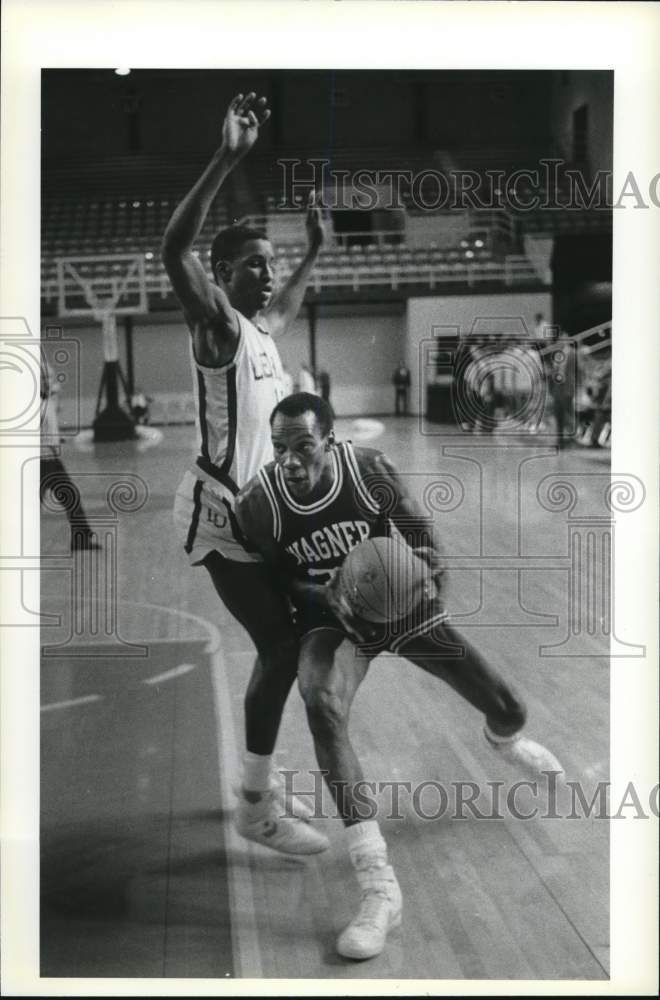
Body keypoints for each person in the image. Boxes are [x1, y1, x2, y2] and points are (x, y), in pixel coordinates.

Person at [235, 392, 563, 960]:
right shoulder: (260, 503)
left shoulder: (368, 470)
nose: (289, 459)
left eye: (303, 446)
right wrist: (324, 590)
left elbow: (424, 538)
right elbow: (277, 584)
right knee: (321, 703)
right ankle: (379, 887)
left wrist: (426, 579)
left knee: (510, 705)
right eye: (280, 447)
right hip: (332, 620)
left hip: (403, 608)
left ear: (330, 442)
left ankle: (503, 738)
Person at [163, 91, 329, 855]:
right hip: (222, 514)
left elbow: (291, 305)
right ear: (224, 275)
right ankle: (256, 808)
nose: (268, 276)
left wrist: (314, 252)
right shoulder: (218, 325)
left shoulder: (263, 330)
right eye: (254, 266)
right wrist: (228, 159)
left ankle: (257, 783)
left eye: (271, 266)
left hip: (263, 514)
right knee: (281, 647)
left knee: (297, 639)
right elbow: (173, 253)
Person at [40, 358, 100, 551]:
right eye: (48, 379)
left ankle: (81, 539)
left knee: (70, 495)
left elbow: (50, 426)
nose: (54, 382)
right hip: (40, 460)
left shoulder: (47, 402)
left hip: (50, 458)